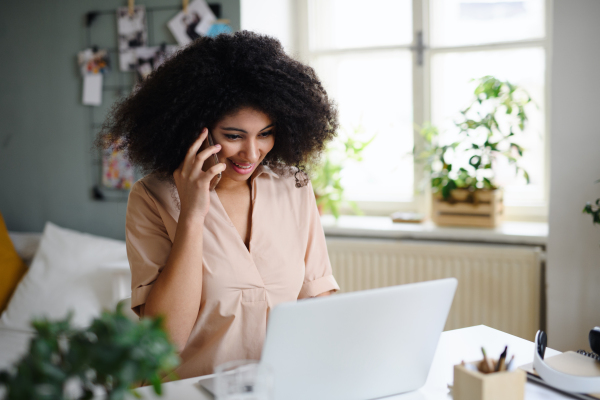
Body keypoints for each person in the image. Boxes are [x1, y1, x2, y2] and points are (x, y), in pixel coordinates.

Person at [97, 31, 340, 380]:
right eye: (234, 136)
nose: (253, 153)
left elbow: (319, 302)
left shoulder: (293, 186)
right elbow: (164, 341)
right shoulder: (152, 197)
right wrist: (193, 214)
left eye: (266, 133)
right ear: (196, 129)